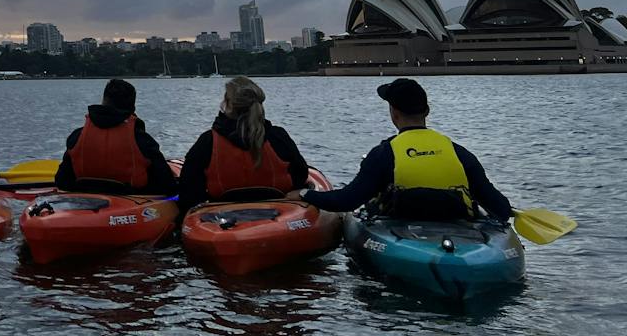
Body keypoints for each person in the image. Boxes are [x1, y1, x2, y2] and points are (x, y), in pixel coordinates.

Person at [289, 78, 513, 221]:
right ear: (427, 111)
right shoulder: (460, 153)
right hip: (460, 230)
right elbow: (500, 208)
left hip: (403, 231)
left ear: (393, 113)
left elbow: (346, 201)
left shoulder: (384, 155)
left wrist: (305, 193)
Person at [178, 76, 310, 210]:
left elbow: (189, 187)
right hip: (280, 210)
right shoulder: (278, 137)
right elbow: (301, 174)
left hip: (221, 214)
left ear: (228, 104)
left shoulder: (207, 141)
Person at [54, 78, 178, 195]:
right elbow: (167, 184)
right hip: (131, 201)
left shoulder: (77, 136)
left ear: (103, 101)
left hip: (85, 200)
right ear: (132, 107)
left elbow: (62, 181)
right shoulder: (143, 140)